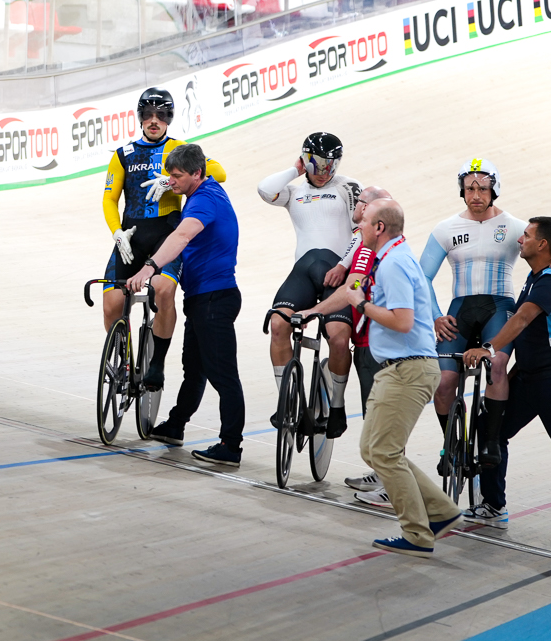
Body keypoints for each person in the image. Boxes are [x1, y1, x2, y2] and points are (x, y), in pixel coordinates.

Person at [466, 217, 551, 550]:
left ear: (542, 245)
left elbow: (524, 318)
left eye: (526, 235)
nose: (519, 240)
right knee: (491, 427)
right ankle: (494, 505)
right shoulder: (537, 275)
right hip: (531, 376)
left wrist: (489, 348)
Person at [349, 199, 462, 556]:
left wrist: (361, 305)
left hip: (407, 369)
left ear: (379, 227)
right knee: (374, 449)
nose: (360, 227)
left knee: (383, 451)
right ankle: (440, 511)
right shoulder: (395, 258)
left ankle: (417, 533)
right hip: (401, 367)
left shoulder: (393, 264)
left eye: (364, 221)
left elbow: (402, 321)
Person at [99, 88, 227, 393]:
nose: (154, 121)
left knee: (163, 290)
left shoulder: (180, 149)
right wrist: (116, 231)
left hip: (166, 237)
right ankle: (124, 359)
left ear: (169, 118)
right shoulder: (123, 155)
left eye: (161, 115)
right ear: (140, 117)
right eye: (148, 115)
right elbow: (109, 199)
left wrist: (170, 181)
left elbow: (219, 173)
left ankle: (156, 362)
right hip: (130, 238)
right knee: (111, 304)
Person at [132, 144, 244, 465]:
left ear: (197, 173)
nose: (171, 181)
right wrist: (170, 182)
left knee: (223, 374)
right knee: (194, 369)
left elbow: (181, 237)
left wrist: (150, 266)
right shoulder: (200, 190)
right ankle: (176, 426)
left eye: (177, 176)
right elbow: (180, 183)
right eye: (169, 175)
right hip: (202, 297)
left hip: (215, 297)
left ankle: (230, 445)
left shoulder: (205, 199)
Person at [422, 158, 524, 478]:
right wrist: (437, 316)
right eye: (469, 188)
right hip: (460, 309)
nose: (476, 194)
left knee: (496, 365)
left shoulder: (516, 227)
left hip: (499, 306)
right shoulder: (446, 228)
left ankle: (490, 441)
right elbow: (421, 277)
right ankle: (450, 443)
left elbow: (548, 251)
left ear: (494, 190)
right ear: (462, 191)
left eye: (482, 188)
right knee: (445, 380)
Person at [295, 184, 396, 493]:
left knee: (381, 414)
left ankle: (391, 486)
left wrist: (316, 309)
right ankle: (381, 476)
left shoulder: (382, 252)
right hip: (369, 342)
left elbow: (351, 291)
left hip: (381, 344)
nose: (359, 214)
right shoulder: (370, 247)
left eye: (364, 210)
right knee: (374, 411)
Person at [258, 132, 360, 433]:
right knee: (278, 325)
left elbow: (361, 232)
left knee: (339, 338)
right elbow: (265, 190)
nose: (326, 169)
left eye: (332, 163)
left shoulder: (349, 187)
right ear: (306, 159)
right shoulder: (294, 192)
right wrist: (295, 170)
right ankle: (288, 402)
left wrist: (343, 266)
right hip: (304, 271)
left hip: (337, 273)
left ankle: (338, 406)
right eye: (319, 163)